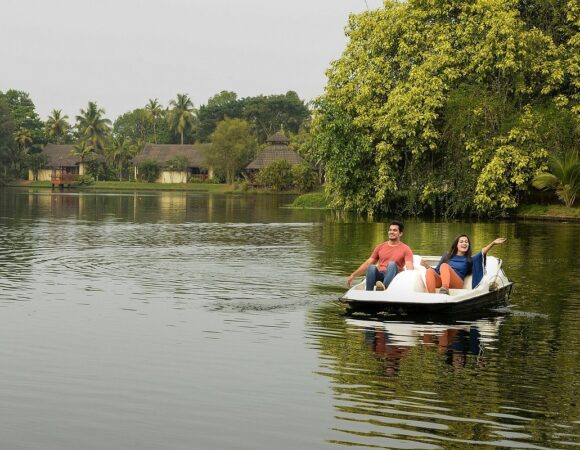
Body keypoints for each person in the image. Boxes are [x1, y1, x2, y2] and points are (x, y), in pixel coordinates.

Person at [421, 235, 506, 294]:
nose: (464, 243)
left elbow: (482, 252)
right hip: (443, 280)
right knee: (429, 271)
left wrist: (493, 243)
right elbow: (436, 271)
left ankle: (445, 289)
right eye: (461, 241)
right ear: (456, 245)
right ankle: (431, 297)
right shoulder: (446, 255)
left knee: (444, 266)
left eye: (466, 242)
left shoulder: (469, 259)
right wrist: (426, 266)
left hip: (457, 283)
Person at [347, 221, 414, 291]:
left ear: (400, 234)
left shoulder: (406, 248)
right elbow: (367, 263)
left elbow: (410, 268)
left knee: (391, 264)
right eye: (390, 230)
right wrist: (353, 275)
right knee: (371, 267)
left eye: (395, 230)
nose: (391, 232)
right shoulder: (380, 247)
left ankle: (383, 288)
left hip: (395, 277)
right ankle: (368, 293)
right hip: (380, 276)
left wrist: (409, 281)